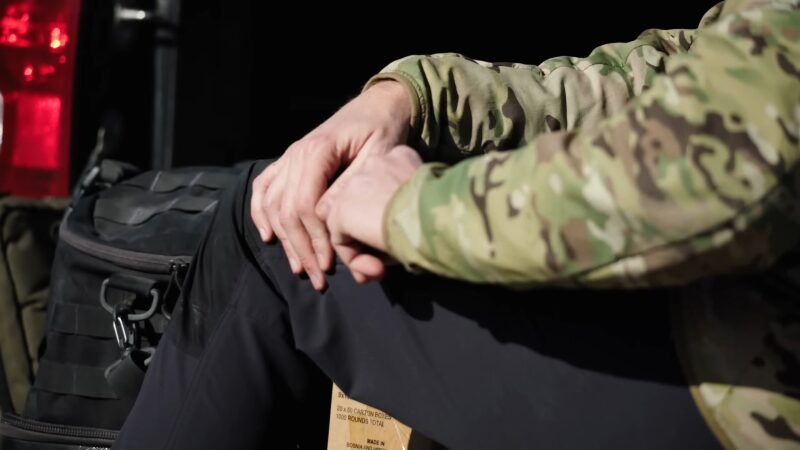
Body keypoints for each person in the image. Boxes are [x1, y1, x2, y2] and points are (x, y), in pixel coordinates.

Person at [113, 0, 800, 448]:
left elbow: (704, 177)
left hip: (747, 398)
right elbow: (656, 84)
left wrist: (410, 209)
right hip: (731, 332)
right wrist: (409, 97)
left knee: (270, 236)